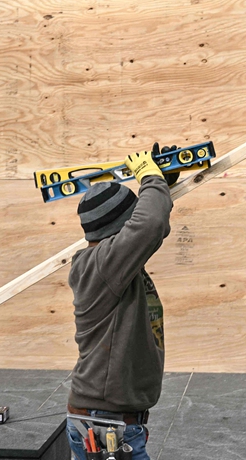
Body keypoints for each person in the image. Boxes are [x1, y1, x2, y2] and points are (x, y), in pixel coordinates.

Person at [65, 144, 178, 460]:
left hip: (110, 418)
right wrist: (150, 178)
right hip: (104, 423)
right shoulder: (102, 264)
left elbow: (152, 226)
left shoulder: (111, 263)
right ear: (119, 229)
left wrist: (162, 185)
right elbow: (149, 224)